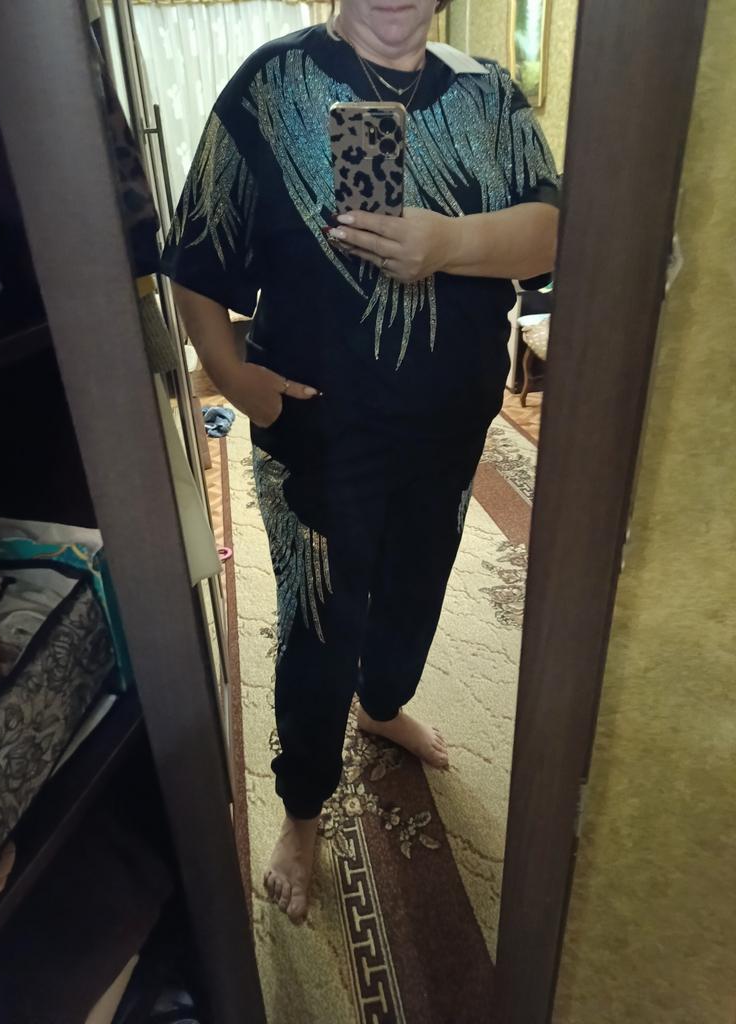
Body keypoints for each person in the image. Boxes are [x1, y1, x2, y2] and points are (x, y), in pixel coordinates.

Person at [161, 0, 559, 925]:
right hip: (318, 432)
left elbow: (550, 231)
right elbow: (194, 255)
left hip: (448, 429)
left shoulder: (488, 94)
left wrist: (447, 242)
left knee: (417, 589)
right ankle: (303, 809)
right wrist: (232, 376)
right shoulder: (272, 85)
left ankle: (382, 705)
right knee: (318, 621)